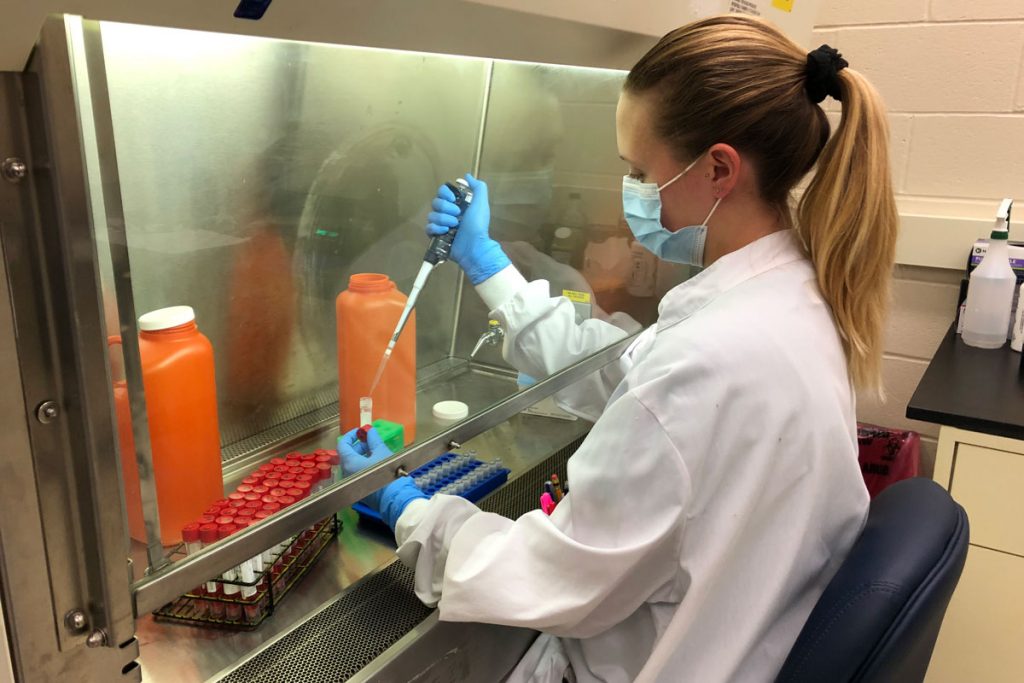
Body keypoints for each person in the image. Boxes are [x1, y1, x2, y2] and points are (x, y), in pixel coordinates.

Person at [340, 14, 897, 683]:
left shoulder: (713, 357)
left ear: (719, 168)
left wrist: (414, 513)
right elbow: (629, 369)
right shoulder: (791, 293)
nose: (630, 190)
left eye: (639, 170)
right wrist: (487, 265)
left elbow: (551, 576)